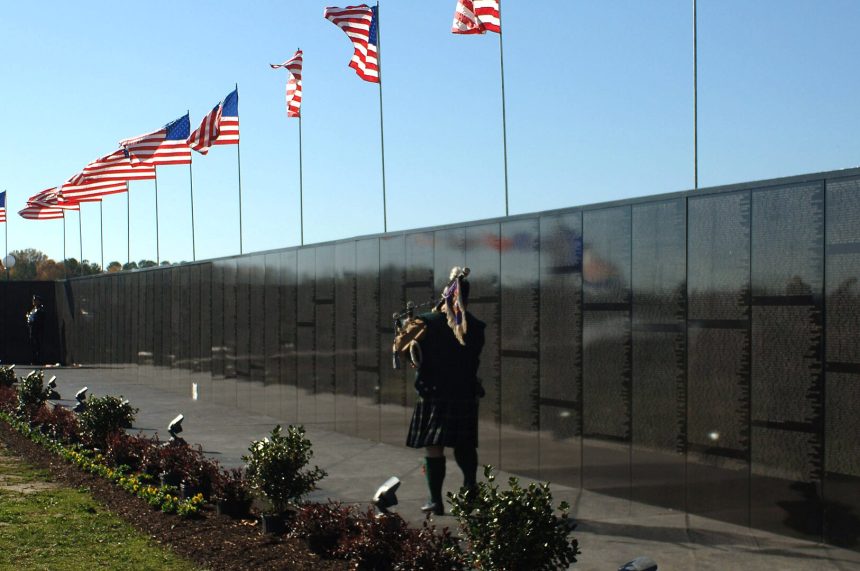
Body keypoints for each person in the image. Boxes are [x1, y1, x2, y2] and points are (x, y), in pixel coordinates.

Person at [393, 267, 486, 515]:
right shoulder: (477, 326)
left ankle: (435, 500)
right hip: (465, 392)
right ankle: (470, 493)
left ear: (446, 294)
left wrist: (408, 327)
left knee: (434, 446)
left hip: (434, 394)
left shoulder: (426, 322)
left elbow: (400, 348)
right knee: (465, 444)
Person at [26, 295, 45, 365]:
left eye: (35, 300)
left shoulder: (40, 310)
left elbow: (39, 319)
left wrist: (32, 320)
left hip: (38, 330)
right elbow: (30, 318)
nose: (34, 301)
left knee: (38, 345)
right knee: (33, 346)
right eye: (33, 300)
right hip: (32, 330)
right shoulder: (33, 310)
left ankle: (38, 360)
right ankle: (34, 359)